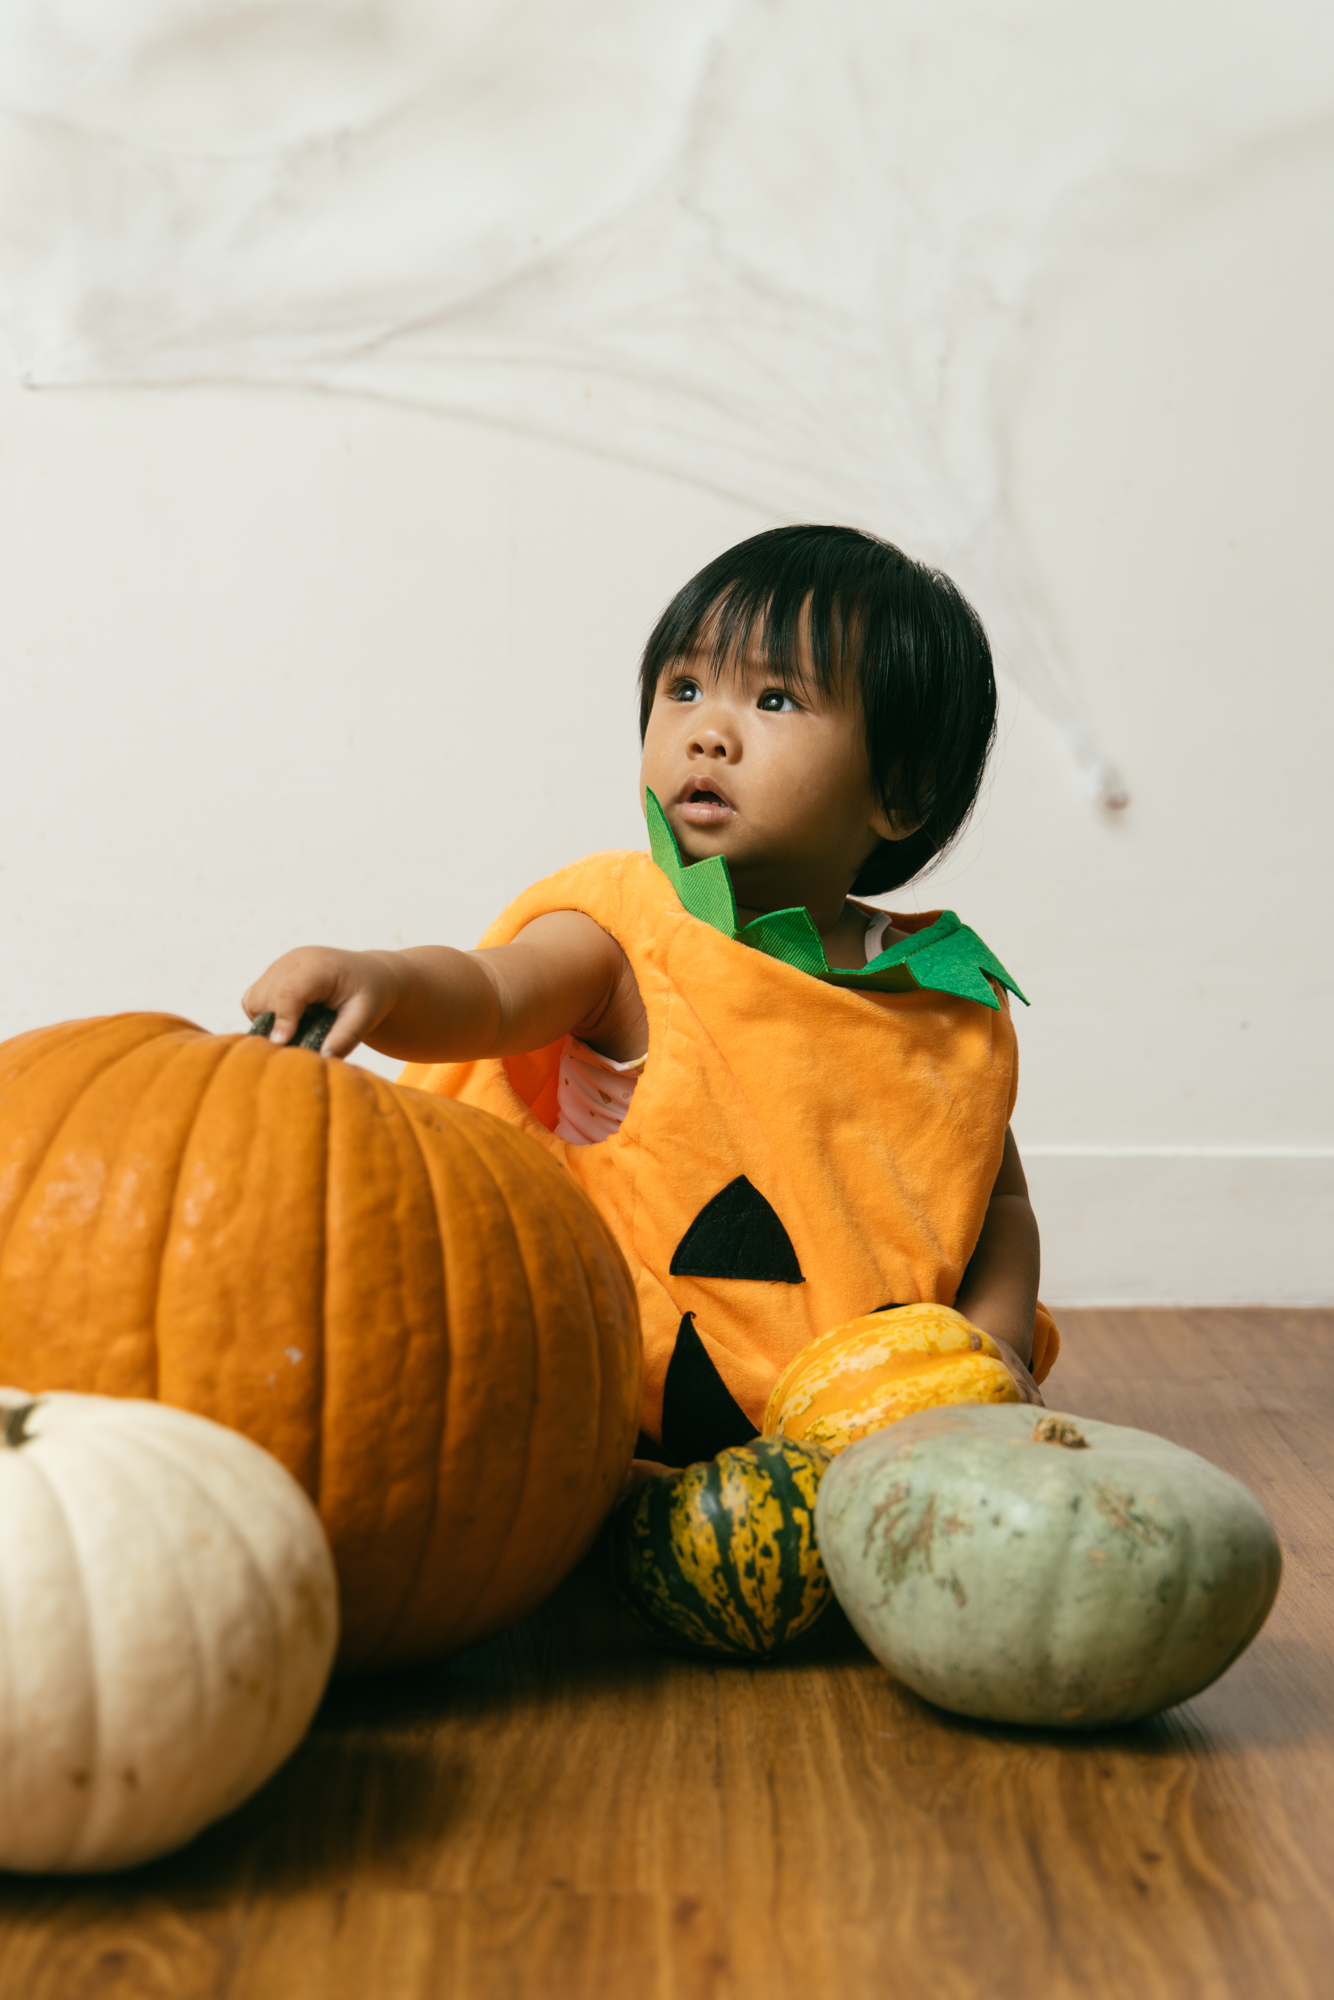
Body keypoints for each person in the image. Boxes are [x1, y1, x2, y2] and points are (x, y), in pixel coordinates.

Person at [243, 525, 1055, 1465]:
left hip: (861, 1426)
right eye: (684, 689)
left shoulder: (946, 998)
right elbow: (492, 992)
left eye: (777, 698)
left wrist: (988, 1352)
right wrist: (381, 981)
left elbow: (993, 1209)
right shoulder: (628, 928)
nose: (707, 730)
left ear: (901, 793)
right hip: (613, 1398)